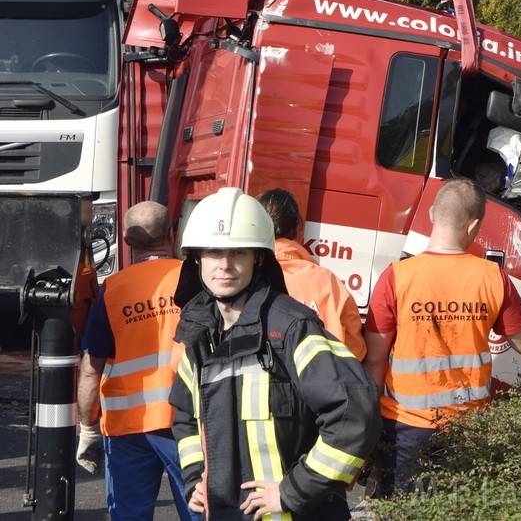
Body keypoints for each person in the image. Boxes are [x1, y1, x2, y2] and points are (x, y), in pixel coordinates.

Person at [169, 187, 380, 520]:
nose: (225, 265)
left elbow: (355, 414)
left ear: (259, 258)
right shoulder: (200, 336)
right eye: (213, 252)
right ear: (197, 259)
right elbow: (185, 416)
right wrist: (195, 476)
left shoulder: (291, 328)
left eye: (239, 253)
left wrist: (295, 490)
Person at [362, 178, 521, 497]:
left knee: (400, 510)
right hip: (465, 429)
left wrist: (368, 426)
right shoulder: (492, 278)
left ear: (431, 214)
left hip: (403, 428)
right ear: (474, 226)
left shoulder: (396, 277)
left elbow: (374, 359)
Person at [77, 201, 200, 521]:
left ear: (128, 242)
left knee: (129, 515)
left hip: (127, 426)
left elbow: (92, 368)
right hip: (187, 422)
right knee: (200, 510)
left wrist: (88, 426)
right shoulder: (196, 280)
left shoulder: (112, 290)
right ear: (173, 235)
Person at [256, 188, 366, 360]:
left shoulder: (249, 278)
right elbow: (355, 350)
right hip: (323, 379)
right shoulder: (327, 281)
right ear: (296, 228)